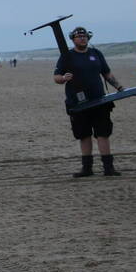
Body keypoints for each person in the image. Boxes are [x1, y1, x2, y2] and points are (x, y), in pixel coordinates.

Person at [53, 26, 124, 177]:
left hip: (99, 101)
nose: (82, 38)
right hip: (77, 103)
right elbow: (56, 77)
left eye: (84, 36)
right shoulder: (67, 56)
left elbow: (106, 72)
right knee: (84, 135)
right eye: (79, 37)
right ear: (73, 39)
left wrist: (118, 86)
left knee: (102, 134)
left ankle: (108, 168)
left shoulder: (96, 53)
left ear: (88, 38)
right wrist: (64, 78)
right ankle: (87, 169)